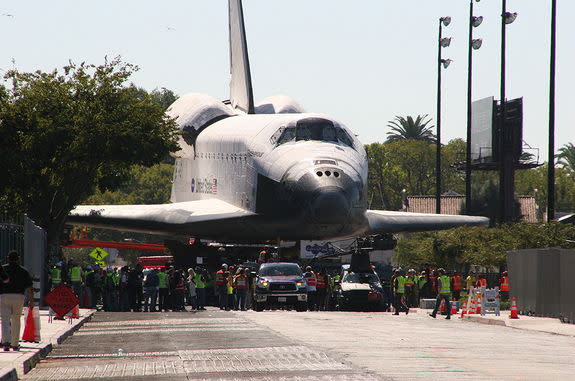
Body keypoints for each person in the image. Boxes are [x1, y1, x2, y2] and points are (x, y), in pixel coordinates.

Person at [1, 250, 33, 351]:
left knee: (5, 320)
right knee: (16, 319)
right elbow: (29, 287)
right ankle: (15, 343)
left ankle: (6, 342)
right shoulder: (23, 271)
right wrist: (31, 301)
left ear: (8, 258)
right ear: (18, 259)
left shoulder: (3, 269)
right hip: (18, 297)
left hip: (4, 296)